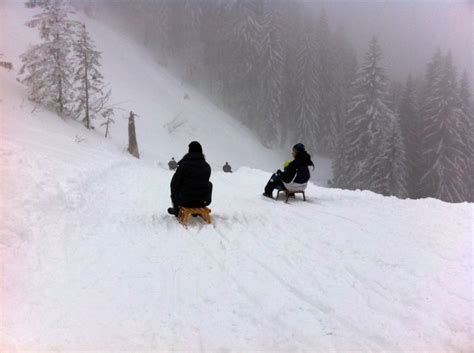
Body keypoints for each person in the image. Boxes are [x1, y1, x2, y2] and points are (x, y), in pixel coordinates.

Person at [168, 141, 213, 216]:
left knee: (175, 184)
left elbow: (174, 184)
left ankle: (177, 210)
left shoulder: (183, 166)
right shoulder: (207, 166)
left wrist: (176, 199)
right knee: (209, 184)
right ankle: (198, 207)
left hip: (185, 201)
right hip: (202, 201)